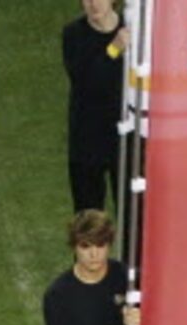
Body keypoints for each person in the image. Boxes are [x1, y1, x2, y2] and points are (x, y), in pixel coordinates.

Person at [62, 0, 129, 215]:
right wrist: (114, 49)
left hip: (126, 140)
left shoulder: (133, 29)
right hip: (87, 142)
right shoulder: (73, 35)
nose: (93, 4)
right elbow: (87, 81)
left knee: (133, 216)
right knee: (88, 221)